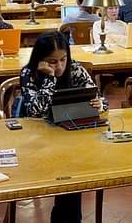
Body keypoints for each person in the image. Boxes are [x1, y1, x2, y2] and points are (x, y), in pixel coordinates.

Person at [20, 32, 104, 223]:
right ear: (40, 60)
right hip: (39, 142)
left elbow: (97, 96)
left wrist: (100, 104)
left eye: (63, 59)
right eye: (52, 61)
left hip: (72, 137)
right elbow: (35, 111)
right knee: (69, 181)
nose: (59, 66)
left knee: (72, 179)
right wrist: (50, 79)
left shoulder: (75, 69)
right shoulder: (29, 73)